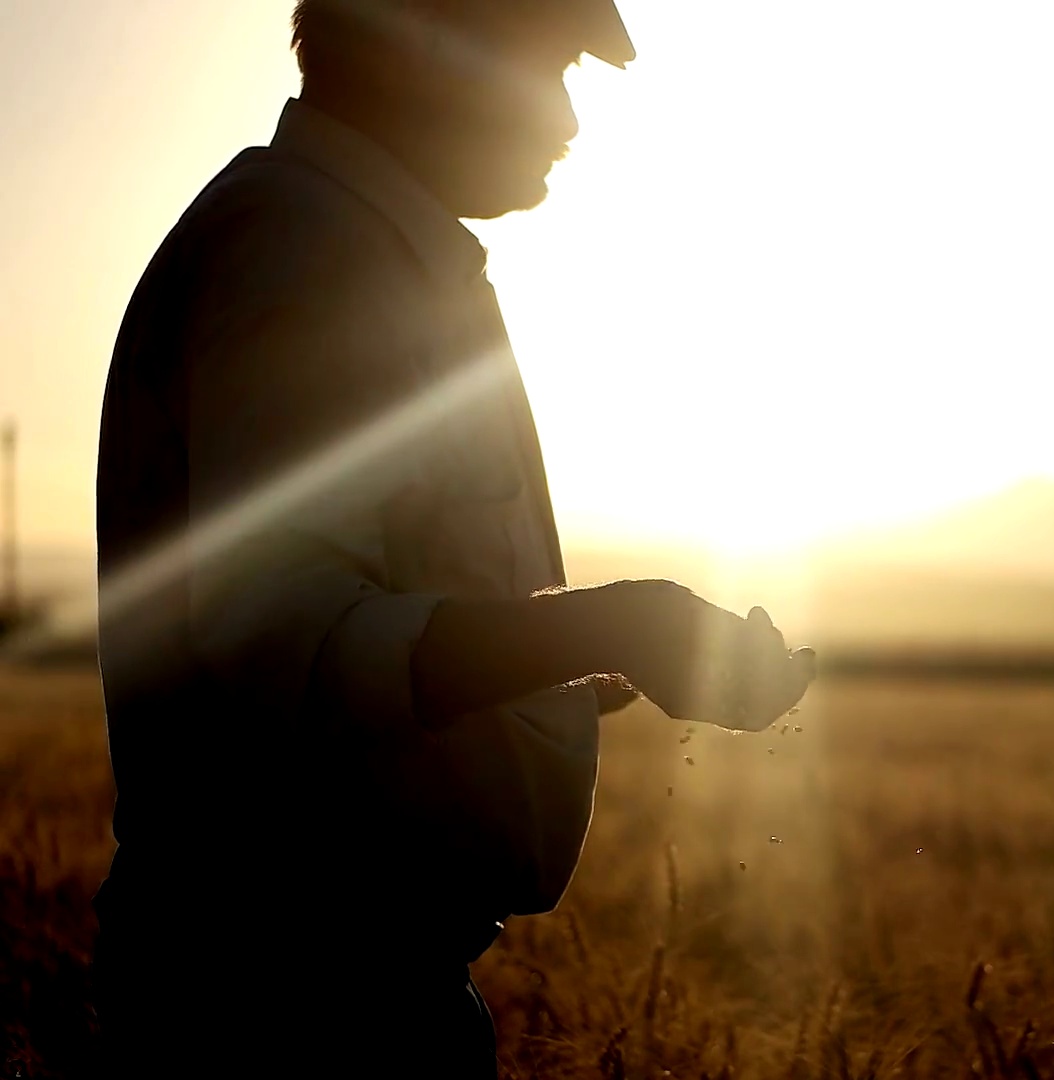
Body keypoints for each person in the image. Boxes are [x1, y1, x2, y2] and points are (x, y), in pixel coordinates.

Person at [91, 0, 815, 1074]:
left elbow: (366, 630)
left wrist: (563, 664)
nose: (568, 120)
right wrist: (624, 623)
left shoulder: (362, 251)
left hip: (351, 992)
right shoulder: (306, 254)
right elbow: (290, 646)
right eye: (547, 68)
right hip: (293, 1012)